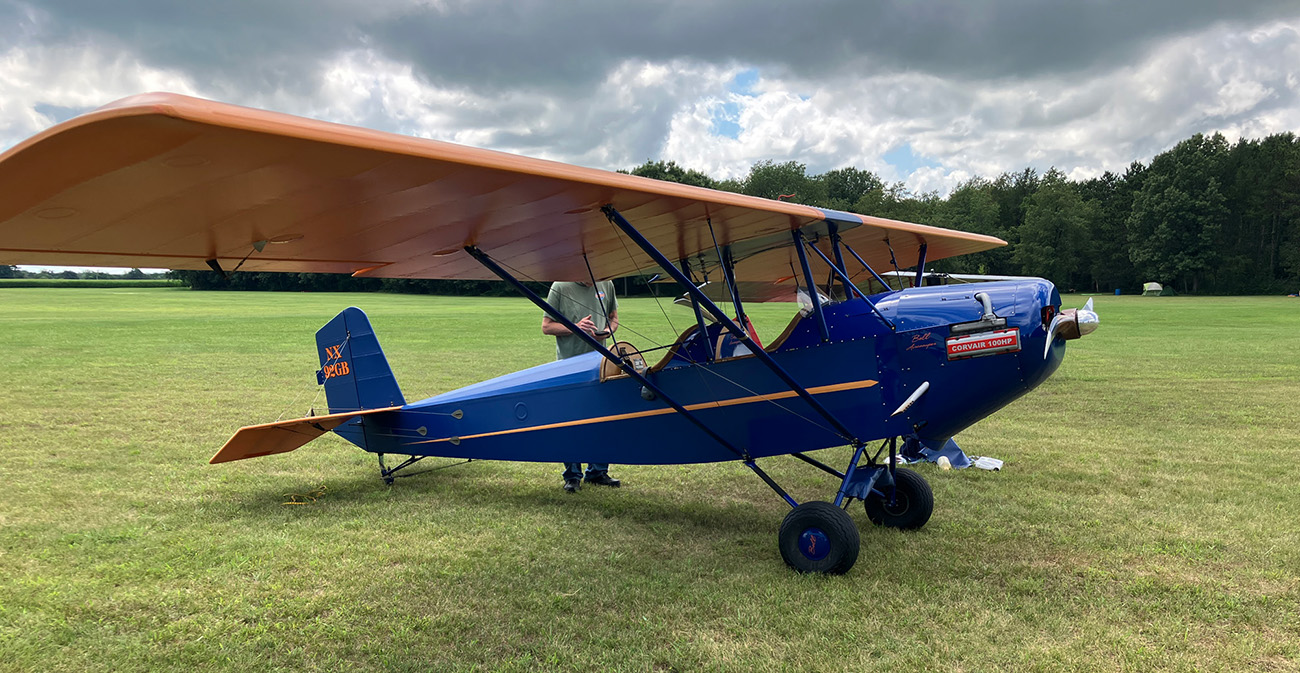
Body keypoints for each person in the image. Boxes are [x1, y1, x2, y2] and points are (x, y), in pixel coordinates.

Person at [542, 280, 622, 493]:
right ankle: (572, 476)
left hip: (600, 364)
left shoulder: (607, 283)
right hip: (570, 366)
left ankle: (597, 472)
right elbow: (547, 326)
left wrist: (606, 331)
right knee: (570, 421)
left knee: (603, 417)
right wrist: (574, 328)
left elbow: (614, 319)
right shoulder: (560, 286)